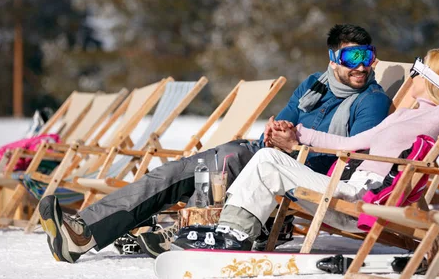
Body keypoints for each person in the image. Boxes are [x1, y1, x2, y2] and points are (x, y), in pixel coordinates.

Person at [39, 24, 392, 263]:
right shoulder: (314, 84)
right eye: (352, 58)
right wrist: (276, 133)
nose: (362, 67)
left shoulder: (371, 100)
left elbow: (352, 155)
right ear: (334, 60)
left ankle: (184, 231)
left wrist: (293, 142)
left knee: (220, 164)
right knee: (175, 171)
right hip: (267, 155)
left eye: (368, 56)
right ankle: (84, 231)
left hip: (298, 171)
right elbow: (277, 124)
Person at [171, 48, 439, 250]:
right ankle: (232, 230)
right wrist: (299, 133)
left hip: (355, 201)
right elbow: (348, 144)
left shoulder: (433, 118)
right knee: (267, 157)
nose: (411, 74)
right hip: (345, 189)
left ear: (427, 79)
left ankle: (233, 234)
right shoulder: (405, 115)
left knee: (267, 160)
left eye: (417, 68)